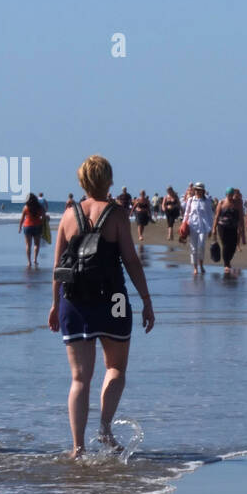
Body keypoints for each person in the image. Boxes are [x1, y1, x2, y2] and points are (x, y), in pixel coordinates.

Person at [49, 155, 154, 458]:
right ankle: (105, 429)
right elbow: (131, 261)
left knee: (80, 378)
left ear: (82, 181)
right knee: (116, 368)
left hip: (74, 301)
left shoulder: (68, 216)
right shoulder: (117, 215)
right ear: (108, 180)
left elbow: (58, 267)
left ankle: (77, 448)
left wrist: (54, 305)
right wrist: (146, 300)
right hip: (115, 300)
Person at [182, 183, 215, 275]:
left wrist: (211, 228)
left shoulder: (207, 201)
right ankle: (195, 267)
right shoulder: (191, 200)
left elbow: (210, 215)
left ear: (203, 191)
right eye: (196, 189)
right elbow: (186, 213)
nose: (197, 191)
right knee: (193, 248)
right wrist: (183, 224)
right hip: (192, 225)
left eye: (199, 189)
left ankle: (201, 265)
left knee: (201, 246)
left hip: (204, 227)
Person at [211, 187, 246, 273]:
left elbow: (241, 217)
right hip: (222, 227)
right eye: (229, 195)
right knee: (226, 245)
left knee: (233, 246)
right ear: (226, 195)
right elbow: (216, 216)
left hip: (233, 227)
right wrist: (214, 228)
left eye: (232, 195)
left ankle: (228, 260)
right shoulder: (222, 202)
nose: (230, 196)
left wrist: (242, 229)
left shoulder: (237, 203)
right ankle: (226, 264)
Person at [19, 192, 46, 267]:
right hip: (37, 226)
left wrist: (20, 227)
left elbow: (22, 218)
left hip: (27, 226)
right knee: (36, 244)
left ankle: (29, 262)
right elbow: (43, 218)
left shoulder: (25, 207)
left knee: (28, 245)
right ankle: (35, 259)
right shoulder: (40, 207)